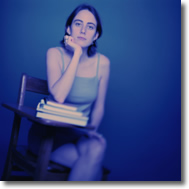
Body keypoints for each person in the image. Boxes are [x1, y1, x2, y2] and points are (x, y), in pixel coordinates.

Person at [28, 4, 110, 181]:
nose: (83, 30)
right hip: (48, 137)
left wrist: (92, 131)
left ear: (96, 35)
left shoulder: (103, 63)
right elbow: (59, 96)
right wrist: (76, 55)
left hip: (78, 136)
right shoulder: (54, 54)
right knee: (92, 164)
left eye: (90, 27)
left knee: (96, 147)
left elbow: (99, 106)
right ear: (68, 28)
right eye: (78, 24)